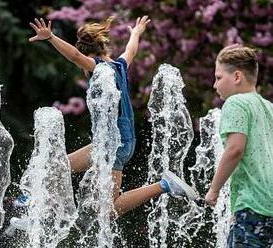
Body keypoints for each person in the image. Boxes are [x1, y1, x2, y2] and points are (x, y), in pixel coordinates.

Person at [27, 16, 198, 217]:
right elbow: (131, 50)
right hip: (112, 142)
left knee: (108, 209)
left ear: (87, 56)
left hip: (113, 145)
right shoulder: (119, 66)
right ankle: (37, 213)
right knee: (55, 167)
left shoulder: (99, 68)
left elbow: (74, 55)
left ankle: (164, 185)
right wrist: (136, 33)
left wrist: (51, 37)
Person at [205, 45, 273, 247]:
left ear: (236, 77)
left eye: (218, 78)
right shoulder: (268, 107)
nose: (214, 85)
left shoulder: (236, 103)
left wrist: (214, 190)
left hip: (252, 203)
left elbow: (235, 149)